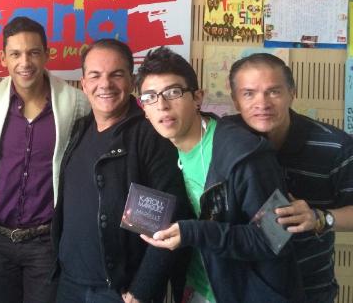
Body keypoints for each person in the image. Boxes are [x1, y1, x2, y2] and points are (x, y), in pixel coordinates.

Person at [135, 47, 303, 303]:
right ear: (144, 109)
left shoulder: (245, 154)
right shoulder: (163, 150)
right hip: (196, 289)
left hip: (246, 294)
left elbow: (275, 237)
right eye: (150, 97)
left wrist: (193, 232)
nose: (162, 105)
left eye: (173, 92)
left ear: (197, 98)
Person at [52, 39, 190, 303]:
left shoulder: (149, 135)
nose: (105, 84)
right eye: (95, 75)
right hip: (69, 282)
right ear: (84, 84)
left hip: (120, 291)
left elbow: (169, 219)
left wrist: (143, 288)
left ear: (131, 80)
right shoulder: (80, 128)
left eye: (116, 74)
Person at [0, 16, 90, 303]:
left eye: (33, 52)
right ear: (3, 58)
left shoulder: (76, 103)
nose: (24, 62)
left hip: (45, 242)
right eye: (15, 54)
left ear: (47, 55)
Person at [228, 53, 353, 303]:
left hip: (309, 290)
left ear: (291, 93)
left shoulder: (336, 146)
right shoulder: (224, 140)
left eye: (273, 92)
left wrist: (320, 218)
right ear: (235, 100)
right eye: (249, 93)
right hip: (239, 286)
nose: (262, 103)